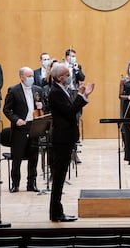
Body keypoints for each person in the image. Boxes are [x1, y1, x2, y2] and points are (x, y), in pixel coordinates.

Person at [49, 63, 94, 222]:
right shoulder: (55, 91)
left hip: (65, 138)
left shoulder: (60, 90)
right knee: (59, 177)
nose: (69, 77)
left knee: (60, 176)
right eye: (67, 75)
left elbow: (70, 108)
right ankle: (56, 213)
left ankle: (57, 211)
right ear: (60, 77)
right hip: (62, 139)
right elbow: (69, 112)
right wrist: (82, 96)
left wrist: (82, 95)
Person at [3, 67, 44, 193]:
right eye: (29, 76)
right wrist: (16, 120)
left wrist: (42, 106)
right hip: (20, 128)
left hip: (34, 126)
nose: (32, 78)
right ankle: (15, 184)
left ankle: (31, 184)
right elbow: (7, 109)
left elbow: (44, 107)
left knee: (33, 157)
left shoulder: (38, 90)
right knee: (17, 158)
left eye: (32, 75)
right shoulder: (13, 90)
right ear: (22, 77)